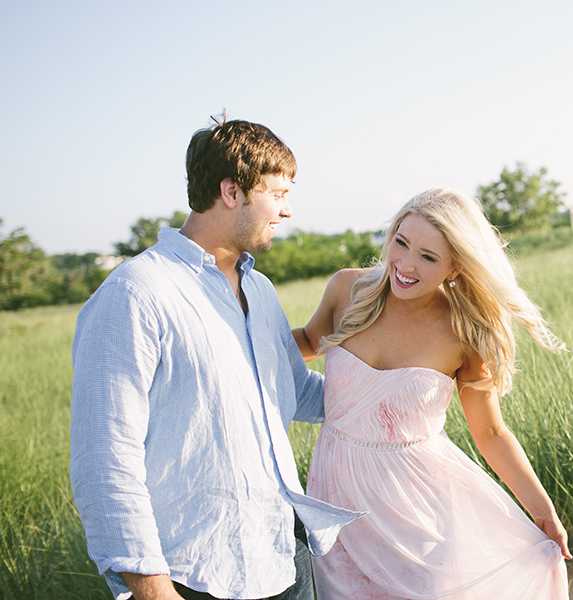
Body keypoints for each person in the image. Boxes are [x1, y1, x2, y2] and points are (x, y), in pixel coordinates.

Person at [70, 117, 362, 600]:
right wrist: (154, 590)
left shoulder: (260, 288)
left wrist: (399, 392)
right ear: (231, 191)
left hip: (284, 557)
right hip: (193, 575)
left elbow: (293, 390)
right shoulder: (135, 294)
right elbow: (104, 461)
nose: (287, 211)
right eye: (278, 193)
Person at [292, 188, 572, 599]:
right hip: (336, 497)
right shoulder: (348, 290)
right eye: (400, 244)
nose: (405, 265)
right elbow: (306, 342)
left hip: (416, 505)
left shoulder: (465, 331)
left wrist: (543, 511)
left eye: (427, 256)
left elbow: (491, 434)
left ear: (455, 266)